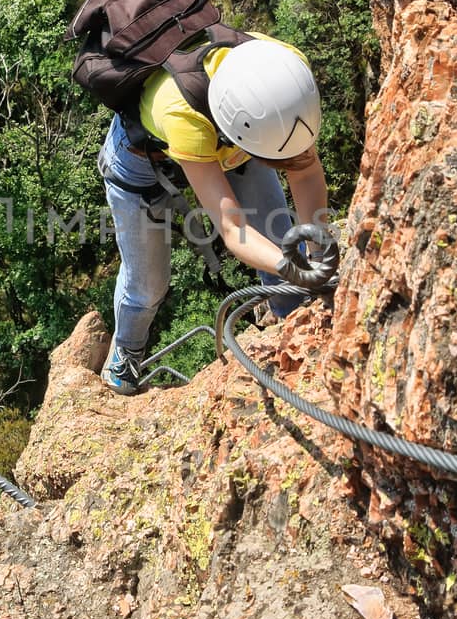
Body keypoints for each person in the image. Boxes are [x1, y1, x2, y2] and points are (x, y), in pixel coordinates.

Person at [97, 33, 338, 394]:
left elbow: (303, 169)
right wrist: (296, 268)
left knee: (277, 240)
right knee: (148, 284)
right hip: (140, 164)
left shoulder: (283, 71)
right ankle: (125, 356)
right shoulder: (182, 115)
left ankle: (294, 315)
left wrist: (316, 257)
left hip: (232, 144)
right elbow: (232, 228)